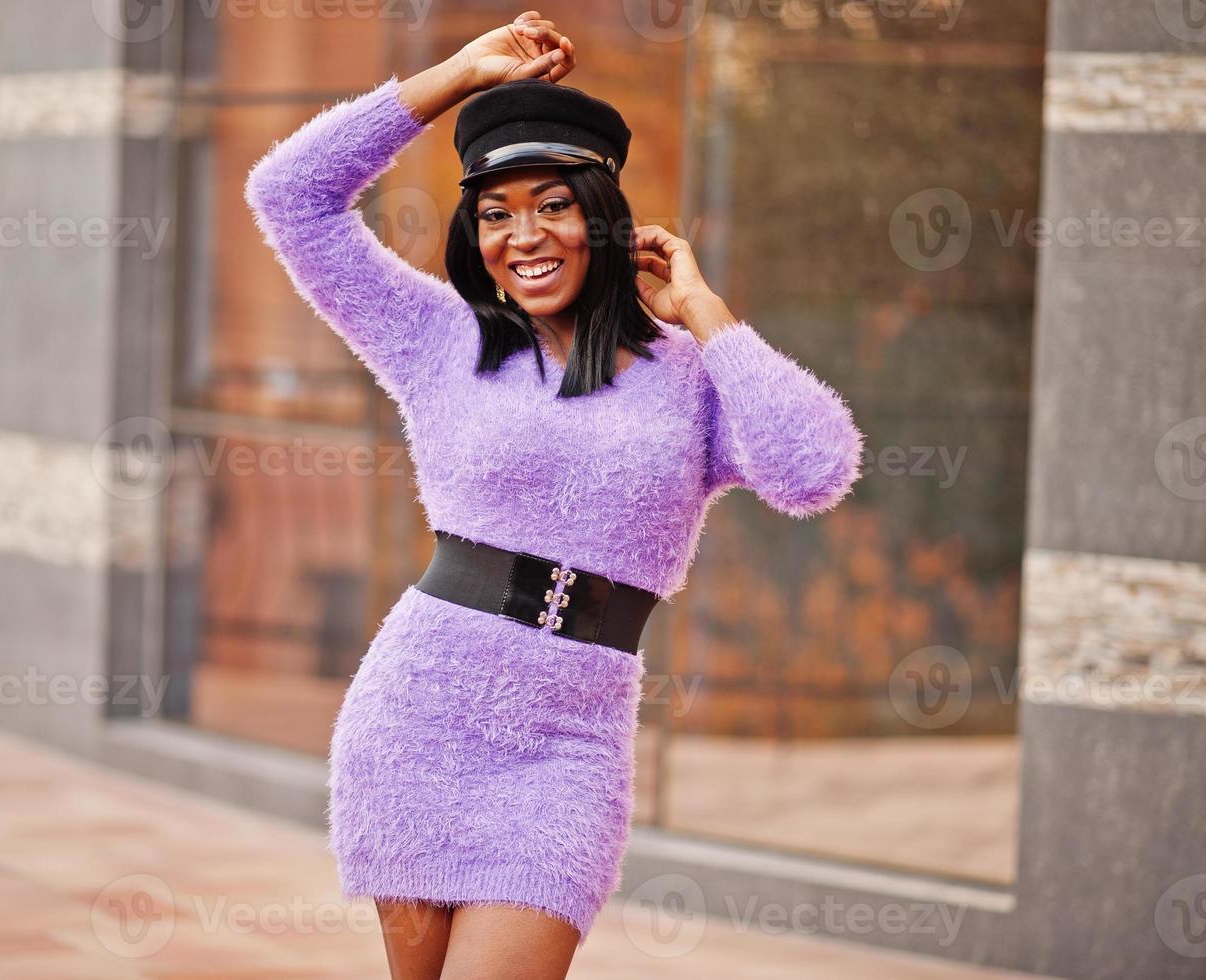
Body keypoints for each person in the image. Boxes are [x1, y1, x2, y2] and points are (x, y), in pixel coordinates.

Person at [243, 11, 865, 979]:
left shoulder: (691, 373)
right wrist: (452, 75)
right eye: (494, 212)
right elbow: (290, 194)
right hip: (418, 713)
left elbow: (813, 467)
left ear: (602, 218)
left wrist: (705, 310)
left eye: (551, 205)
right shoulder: (438, 338)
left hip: (568, 746)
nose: (522, 235)